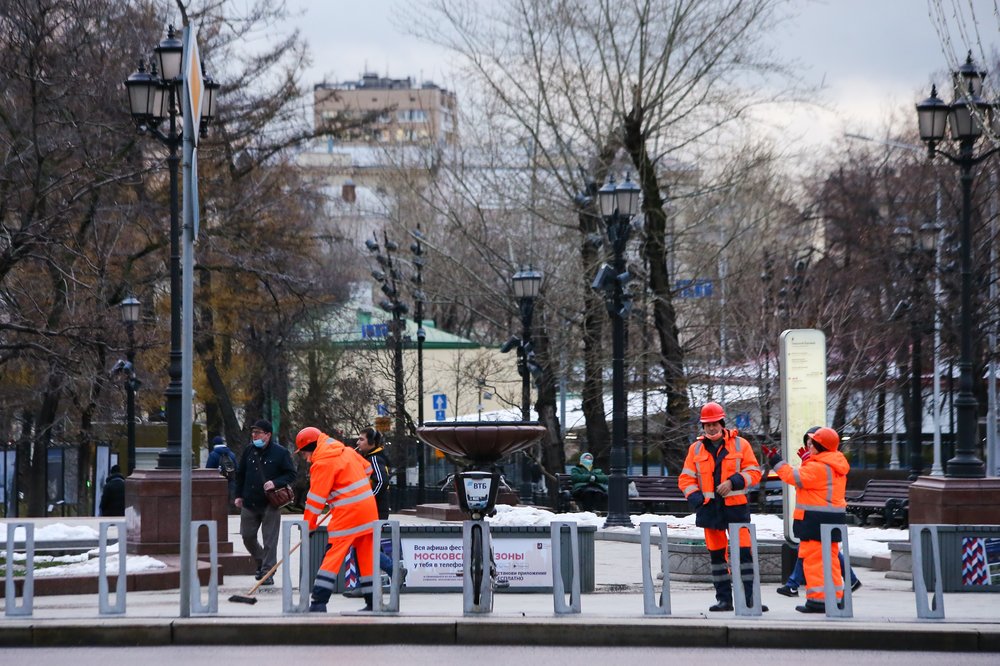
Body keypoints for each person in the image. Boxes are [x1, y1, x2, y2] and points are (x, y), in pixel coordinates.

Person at [678, 401, 767, 612]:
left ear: (722, 422)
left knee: (744, 554)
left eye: (714, 423)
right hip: (710, 510)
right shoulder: (696, 448)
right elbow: (685, 479)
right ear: (703, 426)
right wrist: (697, 499)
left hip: (736, 508)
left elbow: (754, 472)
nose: (711, 428)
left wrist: (733, 482)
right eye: (707, 424)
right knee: (717, 556)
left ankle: (750, 600)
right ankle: (724, 600)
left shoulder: (740, 444)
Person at [765, 426, 850, 613]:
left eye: (813, 443)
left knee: (814, 562)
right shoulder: (833, 464)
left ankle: (818, 601)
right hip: (831, 520)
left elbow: (793, 477)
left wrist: (776, 462)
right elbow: (809, 486)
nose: (809, 445)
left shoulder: (819, 467)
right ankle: (835, 598)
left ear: (821, 446)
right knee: (830, 561)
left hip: (815, 520)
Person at [296, 426, 379, 612]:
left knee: (332, 556)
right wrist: (342, 493)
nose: (305, 458)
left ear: (309, 448)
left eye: (303, 454)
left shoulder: (322, 464)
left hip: (348, 514)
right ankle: (373, 602)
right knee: (367, 558)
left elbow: (315, 500)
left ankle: (318, 602)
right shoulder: (347, 451)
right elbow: (367, 470)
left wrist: (308, 526)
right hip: (368, 510)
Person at [233, 419, 297, 586]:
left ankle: (267, 572)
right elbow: (240, 474)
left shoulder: (280, 453)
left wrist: (275, 483)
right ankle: (262, 561)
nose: (254, 436)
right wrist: (238, 495)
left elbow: (291, 474)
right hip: (249, 502)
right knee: (247, 536)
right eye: (253, 433)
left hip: (270, 503)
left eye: (258, 433)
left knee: (270, 540)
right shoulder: (249, 450)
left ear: (268, 435)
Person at [356, 426, 398, 579]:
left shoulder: (374, 459)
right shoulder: (369, 458)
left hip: (374, 510)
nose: (358, 442)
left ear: (372, 442)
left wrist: (367, 500)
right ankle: (365, 582)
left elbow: (382, 481)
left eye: (361, 439)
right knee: (363, 545)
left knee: (365, 546)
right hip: (372, 509)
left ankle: (393, 570)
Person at [205, 435, 238, 504]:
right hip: (231, 483)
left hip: (217, 485)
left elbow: (208, 470)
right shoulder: (231, 454)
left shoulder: (213, 455)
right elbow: (237, 469)